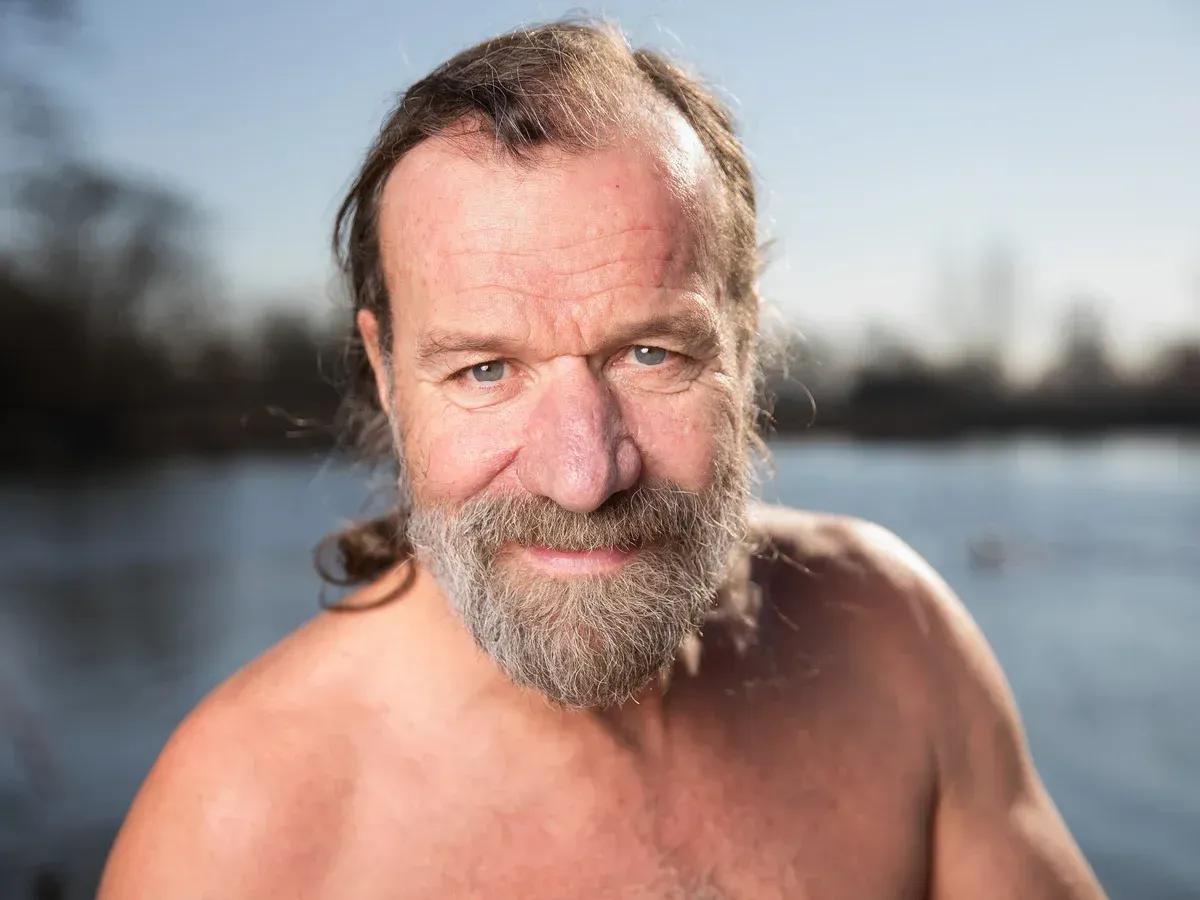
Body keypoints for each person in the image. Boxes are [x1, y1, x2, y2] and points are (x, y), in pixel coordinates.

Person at [99, 20, 1106, 899]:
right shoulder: (235, 831)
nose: (584, 476)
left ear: (745, 350)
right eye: (486, 369)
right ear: (385, 369)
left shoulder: (894, 634)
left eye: (650, 354)